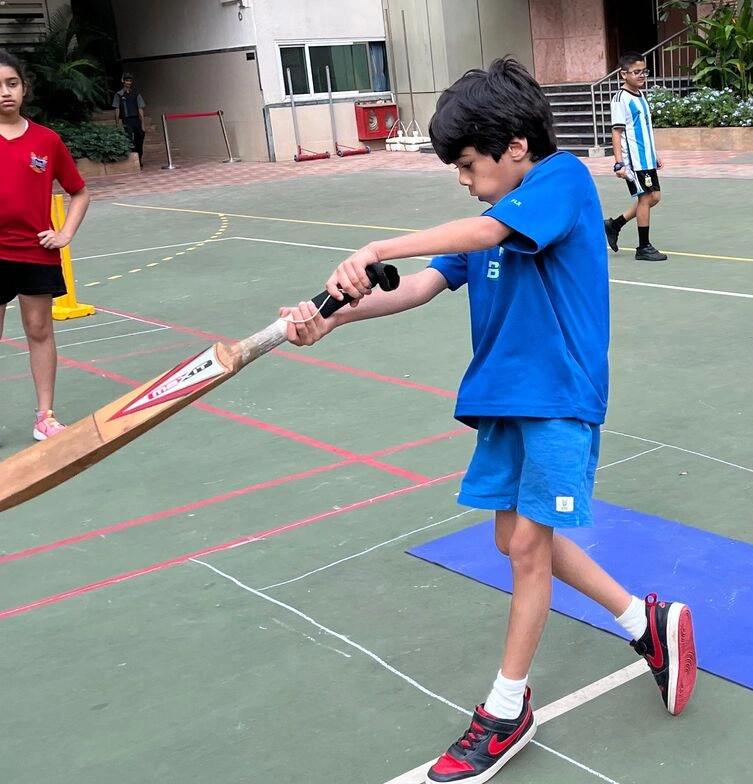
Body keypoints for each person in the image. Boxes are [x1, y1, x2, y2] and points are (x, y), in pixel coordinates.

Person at [281, 58, 697, 784]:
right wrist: (333, 317)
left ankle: (506, 711)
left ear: (515, 146)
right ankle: (645, 623)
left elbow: (478, 234)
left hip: (557, 397)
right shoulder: (492, 215)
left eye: (469, 166)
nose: (465, 181)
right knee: (515, 539)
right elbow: (420, 285)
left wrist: (375, 247)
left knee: (528, 548)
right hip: (502, 400)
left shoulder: (560, 181)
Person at [0, 50, 90, 440]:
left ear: (25, 88)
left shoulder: (46, 140)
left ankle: (44, 416)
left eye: (12, 83)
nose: (5, 92)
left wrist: (65, 233)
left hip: (36, 253)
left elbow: (79, 192)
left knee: (39, 331)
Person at [604, 53, 667, 261]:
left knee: (654, 197)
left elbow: (644, 129)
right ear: (624, 74)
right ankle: (643, 247)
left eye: (644, 71)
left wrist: (654, 154)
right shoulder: (620, 99)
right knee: (645, 198)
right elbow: (617, 132)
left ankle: (614, 225)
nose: (642, 75)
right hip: (634, 161)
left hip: (646, 157)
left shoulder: (640, 95)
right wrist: (619, 163)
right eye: (636, 72)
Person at [112, 72, 146, 167]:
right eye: (127, 80)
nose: (128, 83)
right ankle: (133, 159)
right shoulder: (118, 95)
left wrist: (143, 124)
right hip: (126, 120)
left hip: (136, 119)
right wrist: (117, 123)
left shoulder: (136, 94)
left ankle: (139, 158)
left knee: (140, 139)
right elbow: (117, 109)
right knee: (130, 139)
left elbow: (140, 108)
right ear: (123, 81)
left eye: (130, 81)